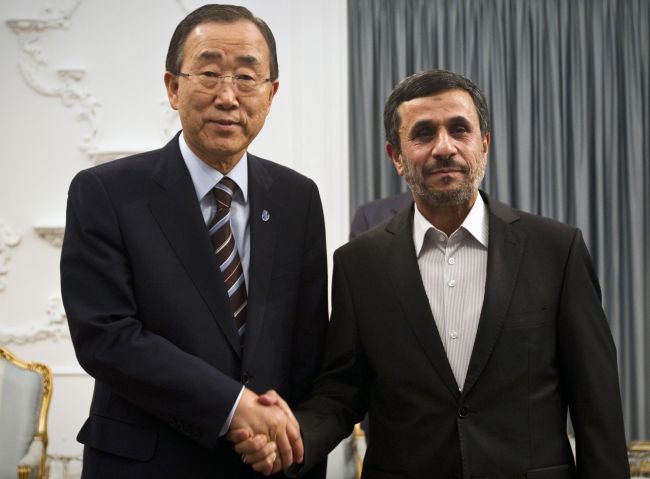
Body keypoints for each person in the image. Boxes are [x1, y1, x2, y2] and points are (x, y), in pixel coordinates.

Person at [233, 69, 631, 478]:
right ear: (396, 157)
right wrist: (293, 435)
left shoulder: (555, 250)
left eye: (460, 130)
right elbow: (342, 392)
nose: (445, 147)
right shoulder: (359, 264)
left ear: (485, 144)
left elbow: (596, 404)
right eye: (423, 134)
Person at [60, 4, 328, 478]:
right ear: (172, 87)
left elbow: (307, 350)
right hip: (147, 463)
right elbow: (106, 337)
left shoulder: (298, 198)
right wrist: (233, 406)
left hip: (263, 466)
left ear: (271, 94)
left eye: (247, 77)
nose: (228, 96)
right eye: (208, 73)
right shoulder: (105, 191)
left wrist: (291, 437)